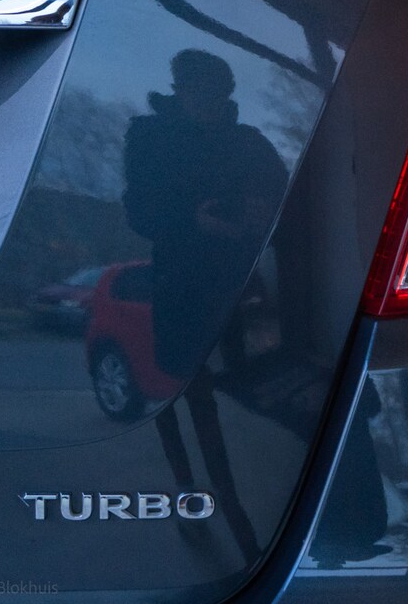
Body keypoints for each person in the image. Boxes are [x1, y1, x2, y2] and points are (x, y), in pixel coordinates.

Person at [123, 48, 287, 563]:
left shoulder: (251, 143)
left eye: (217, 93)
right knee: (179, 396)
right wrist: (192, 220)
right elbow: (139, 211)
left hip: (242, 287)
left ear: (228, 94)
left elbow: (286, 196)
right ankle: (187, 493)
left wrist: (263, 215)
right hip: (181, 286)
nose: (208, 102)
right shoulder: (149, 136)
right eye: (197, 91)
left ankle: (241, 510)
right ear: (179, 90)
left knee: (243, 396)